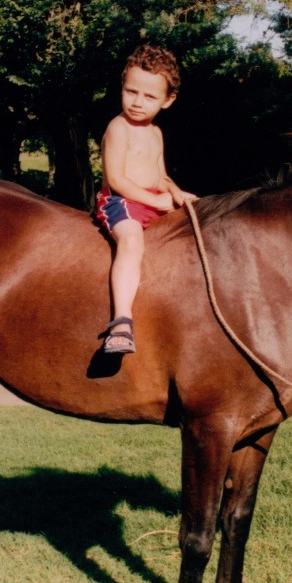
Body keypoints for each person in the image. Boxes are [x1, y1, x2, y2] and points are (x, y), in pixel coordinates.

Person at [95, 45, 196, 354]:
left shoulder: (155, 133)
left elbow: (159, 175)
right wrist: (159, 203)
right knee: (132, 241)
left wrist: (176, 192)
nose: (138, 102)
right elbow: (117, 180)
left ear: (168, 101)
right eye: (131, 92)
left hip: (151, 200)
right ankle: (121, 322)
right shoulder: (118, 127)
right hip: (120, 202)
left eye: (149, 96)